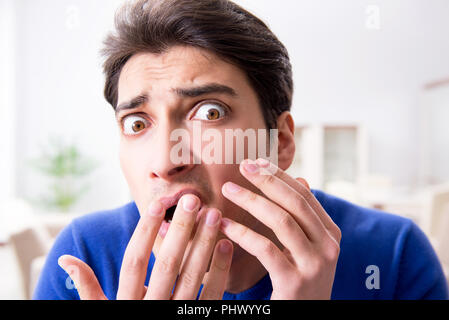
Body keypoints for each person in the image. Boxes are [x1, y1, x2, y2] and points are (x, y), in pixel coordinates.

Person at [33, 0, 448, 300]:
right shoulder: (82, 257)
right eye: (137, 123)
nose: (164, 162)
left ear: (280, 141)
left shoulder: (393, 256)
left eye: (210, 112)